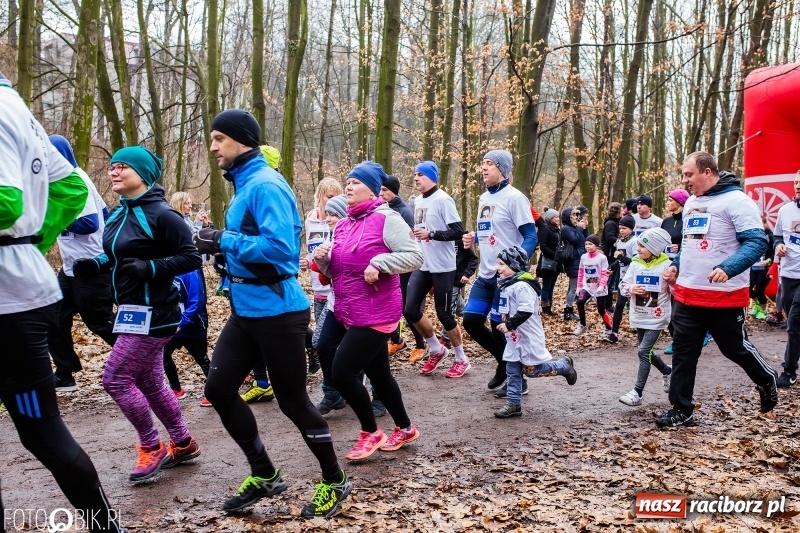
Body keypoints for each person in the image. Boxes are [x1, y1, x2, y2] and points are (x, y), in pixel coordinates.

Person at [194, 109, 350, 517]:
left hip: (279, 312)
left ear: (242, 140)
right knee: (219, 389)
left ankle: (335, 480)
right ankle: (264, 473)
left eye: (219, 139)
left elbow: (281, 251)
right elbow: (250, 244)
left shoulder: (266, 185)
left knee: (293, 402)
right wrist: (222, 251)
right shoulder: (244, 185)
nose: (213, 147)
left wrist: (222, 241)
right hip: (247, 308)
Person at [0, 70, 125, 533]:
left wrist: (27, 236)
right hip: (29, 288)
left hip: (12, 298)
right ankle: (106, 527)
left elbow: (7, 202)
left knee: (44, 432)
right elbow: (70, 189)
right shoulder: (20, 111)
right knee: (43, 432)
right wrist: (33, 242)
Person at [73, 146, 202, 481]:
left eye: (122, 167)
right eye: (112, 166)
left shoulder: (163, 215)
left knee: (115, 378)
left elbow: (191, 257)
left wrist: (151, 268)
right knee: (149, 381)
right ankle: (183, 442)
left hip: (157, 312)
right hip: (129, 310)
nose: (114, 172)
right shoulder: (118, 213)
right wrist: (96, 264)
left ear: (142, 174)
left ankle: (151, 445)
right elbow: (119, 255)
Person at [658, 152, 778, 427]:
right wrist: (676, 265)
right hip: (687, 294)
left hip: (724, 296)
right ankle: (681, 408)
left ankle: (765, 378)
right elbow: (689, 243)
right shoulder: (690, 204)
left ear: (707, 172)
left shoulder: (737, 201)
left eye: (689, 174)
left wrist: (729, 267)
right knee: (683, 351)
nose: (685, 180)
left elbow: (756, 242)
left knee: (733, 348)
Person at [314, 161, 424, 460]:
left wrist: (381, 263)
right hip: (350, 310)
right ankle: (405, 428)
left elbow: (415, 256)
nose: (348, 187)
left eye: (355, 183)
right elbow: (337, 268)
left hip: (378, 311)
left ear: (372, 189)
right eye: (347, 182)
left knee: (343, 371)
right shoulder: (346, 223)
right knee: (380, 374)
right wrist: (322, 258)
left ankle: (370, 431)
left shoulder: (387, 219)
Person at [462, 150, 537, 393]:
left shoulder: (515, 198)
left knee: (499, 326)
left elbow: (530, 235)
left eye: (490, 164)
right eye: (482, 164)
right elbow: (491, 232)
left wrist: (516, 264)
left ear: (503, 170)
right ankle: (504, 363)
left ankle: (518, 380)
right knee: (471, 321)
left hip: (505, 277)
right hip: (485, 274)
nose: (484, 168)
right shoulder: (484, 198)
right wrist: (473, 237)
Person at [47, 135, 116, 392]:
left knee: (98, 322)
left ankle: (138, 363)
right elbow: (106, 213)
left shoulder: (76, 179)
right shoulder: (59, 182)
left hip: (92, 268)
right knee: (53, 316)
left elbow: (90, 223)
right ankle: (66, 373)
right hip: (70, 267)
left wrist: (54, 217)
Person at [404, 161, 470, 378]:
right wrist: (415, 236)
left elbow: (458, 232)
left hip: (443, 266)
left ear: (432, 177)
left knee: (444, 314)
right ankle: (436, 348)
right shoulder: (419, 201)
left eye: (420, 174)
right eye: (415, 174)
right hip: (423, 264)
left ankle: (461, 358)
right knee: (410, 309)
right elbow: (422, 229)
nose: (416, 178)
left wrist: (431, 235)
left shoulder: (443, 199)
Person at [493, 247, 577, 418]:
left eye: (502, 264)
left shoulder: (522, 286)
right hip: (514, 338)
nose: (498, 268)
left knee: (532, 370)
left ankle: (563, 366)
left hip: (528, 336)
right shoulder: (507, 284)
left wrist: (509, 324)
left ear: (515, 265)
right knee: (512, 369)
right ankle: (513, 404)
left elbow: (525, 311)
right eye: (498, 264)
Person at [617, 228, 674, 406]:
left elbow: (675, 291)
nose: (638, 249)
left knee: (643, 351)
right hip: (639, 315)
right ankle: (667, 371)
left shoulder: (667, 265)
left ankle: (637, 393)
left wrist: (672, 281)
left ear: (656, 248)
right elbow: (623, 285)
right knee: (646, 351)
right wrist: (631, 288)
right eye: (639, 245)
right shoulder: (635, 264)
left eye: (643, 246)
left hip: (657, 318)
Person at [380, 174, 426, 359]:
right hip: (389, 265)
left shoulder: (404, 212)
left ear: (394, 192)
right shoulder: (385, 208)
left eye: (385, 190)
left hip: (405, 267)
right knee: (388, 306)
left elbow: (411, 244)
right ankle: (397, 340)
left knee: (406, 307)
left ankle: (420, 344)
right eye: (380, 190)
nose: (381, 193)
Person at [302, 177, 343, 374]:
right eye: (329, 196)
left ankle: (348, 378)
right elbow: (311, 252)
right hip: (317, 290)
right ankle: (333, 385)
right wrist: (306, 262)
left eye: (337, 197)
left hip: (335, 290)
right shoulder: (309, 219)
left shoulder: (340, 219)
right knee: (325, 342)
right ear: (319, 196)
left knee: (322, 340)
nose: (333, 201)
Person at [162, 268, 212, 406]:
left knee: (201, 358)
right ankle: (176, 389)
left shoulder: (191, 271)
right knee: (163, 355)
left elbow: (197, 301)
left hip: (193, 324)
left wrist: (183, 321)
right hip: (171, 322)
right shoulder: (163, 264)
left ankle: (215, 392)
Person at [773, 170, 800, 387]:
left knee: (793, 324)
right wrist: (778, 246)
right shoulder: (785, 210)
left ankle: (789, 370)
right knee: (794, 324)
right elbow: (777, 236)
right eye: (796, 182)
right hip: (788, 274)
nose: (798, 186)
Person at [604, 215, 637, 343]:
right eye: (620, 228)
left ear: (631, 228)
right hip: (624, 278)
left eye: (624, 228)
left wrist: (620, 257)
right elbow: (620, 260)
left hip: (634, 278)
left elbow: (635, 261)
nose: (621, 230)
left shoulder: (635, 241)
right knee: (619, 305)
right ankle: (614, 333)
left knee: (635, 305)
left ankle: (640, 328)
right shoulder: (619, 242)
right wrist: (612, 267)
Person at [573, 234, 612, 336]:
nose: (587, 246)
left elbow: (605, 274)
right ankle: (582, 324)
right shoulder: (583, 257)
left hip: (599, 286)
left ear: (596, 246)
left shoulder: (602, 258)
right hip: (588, 285)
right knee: (580, 301)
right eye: (586, 244)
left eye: (590, 244)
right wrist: (579, 286)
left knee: (601, 309)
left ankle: (609, 329)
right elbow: (581, 272)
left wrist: (602, 286)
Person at [560, 207, 588, 321]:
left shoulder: (575, 228)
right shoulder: (566, 229)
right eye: (574, 215)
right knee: (574, 287)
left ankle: (569, 309)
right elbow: (575, 240)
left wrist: (584, 229)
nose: (576, 217)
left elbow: (586, 239)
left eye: (577, 215)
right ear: (568, 217)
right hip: (573, 260)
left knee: (572, 287)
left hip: (579, 260)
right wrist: (580, 229)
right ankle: (568, 311)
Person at [748, 216, 774, 320]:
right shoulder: (753, 235)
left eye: (760, 224)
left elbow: (774, 252)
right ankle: (757, 304)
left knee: (759, 289)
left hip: (766, 268)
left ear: (765, 224)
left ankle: (763, 311)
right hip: (754, 266)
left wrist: (768, 261)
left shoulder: (771, 236)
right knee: (748, 288)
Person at [536, 209, 560, 315]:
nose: (558, 219)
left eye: (558, 217)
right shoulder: (546, 229)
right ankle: (545, 308)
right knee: (546, 286)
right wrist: (555, 255)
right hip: (548, 262)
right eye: (556, 217)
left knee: (552, 286)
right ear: (550, 218)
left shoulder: (557, 230)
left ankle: (549, 307)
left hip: (557, 262)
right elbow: (543, 246)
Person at [601, 202, 623, 312]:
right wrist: (621, 242)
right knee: (608, 279)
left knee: (612, 281)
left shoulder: (617, 223)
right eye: (621, 210)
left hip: (614, 255)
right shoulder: (610, 224)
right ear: (617, 212)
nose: (623, 212)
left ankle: (608, 303)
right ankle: (606, 304)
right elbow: (609, 238)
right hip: (609, 255)